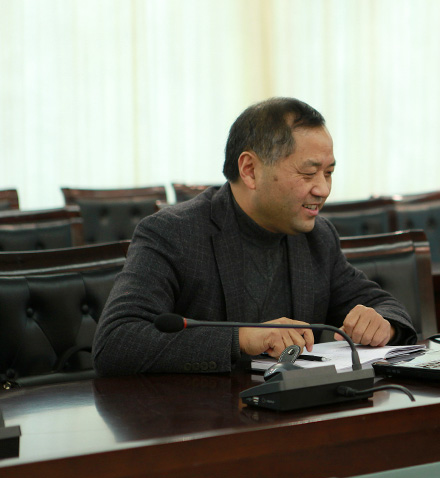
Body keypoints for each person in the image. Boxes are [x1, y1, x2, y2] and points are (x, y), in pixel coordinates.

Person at [92, 97, 416, 376]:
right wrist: (242, 338)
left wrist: (383, 323)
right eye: (308, 173)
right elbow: (116, 341)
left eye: (329, 173)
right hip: (205, 417)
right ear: (249, 170)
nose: (323, 189)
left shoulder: (317, 237)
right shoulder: (173, 233)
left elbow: (383, 304)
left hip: (296, 414)